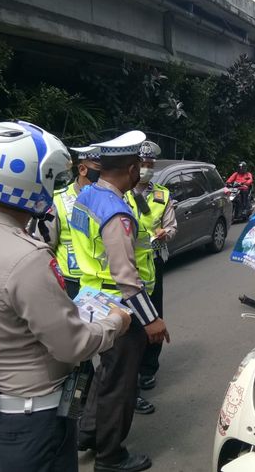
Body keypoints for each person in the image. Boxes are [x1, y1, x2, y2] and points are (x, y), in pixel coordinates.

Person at [0, 121, 131, 472]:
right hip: (33, 422)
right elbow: (73, 346)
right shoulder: (28, 257)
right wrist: (114, 322)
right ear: (27, 180)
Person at [71, 131, 170, 472]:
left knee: (105, 374)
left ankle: (87, 432)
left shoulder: (86, 197)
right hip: (119, 309)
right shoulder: (116, 212)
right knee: (121, 386)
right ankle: (110, 456)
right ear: (130, 169)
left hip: (90, 298)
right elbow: (126, 277)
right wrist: (151, 320)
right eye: (138, 167)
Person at [123, 141, 178, 414]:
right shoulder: (119, 194)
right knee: (131, 322)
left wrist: (166, 233)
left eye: (149, 165)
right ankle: (129, 376)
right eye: (142, 164)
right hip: (125, 265)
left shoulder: (162, 195)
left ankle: (148, 369)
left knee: (155, 314)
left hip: (153, 262)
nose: (146, 169)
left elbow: (171, 225)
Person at [34, 145, 102, 298]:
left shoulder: (111, 199)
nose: (103, 173)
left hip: (104, 281)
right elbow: (43, 247)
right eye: (99, 167)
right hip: (70, 282)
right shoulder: (57, 200)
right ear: (82, 169)